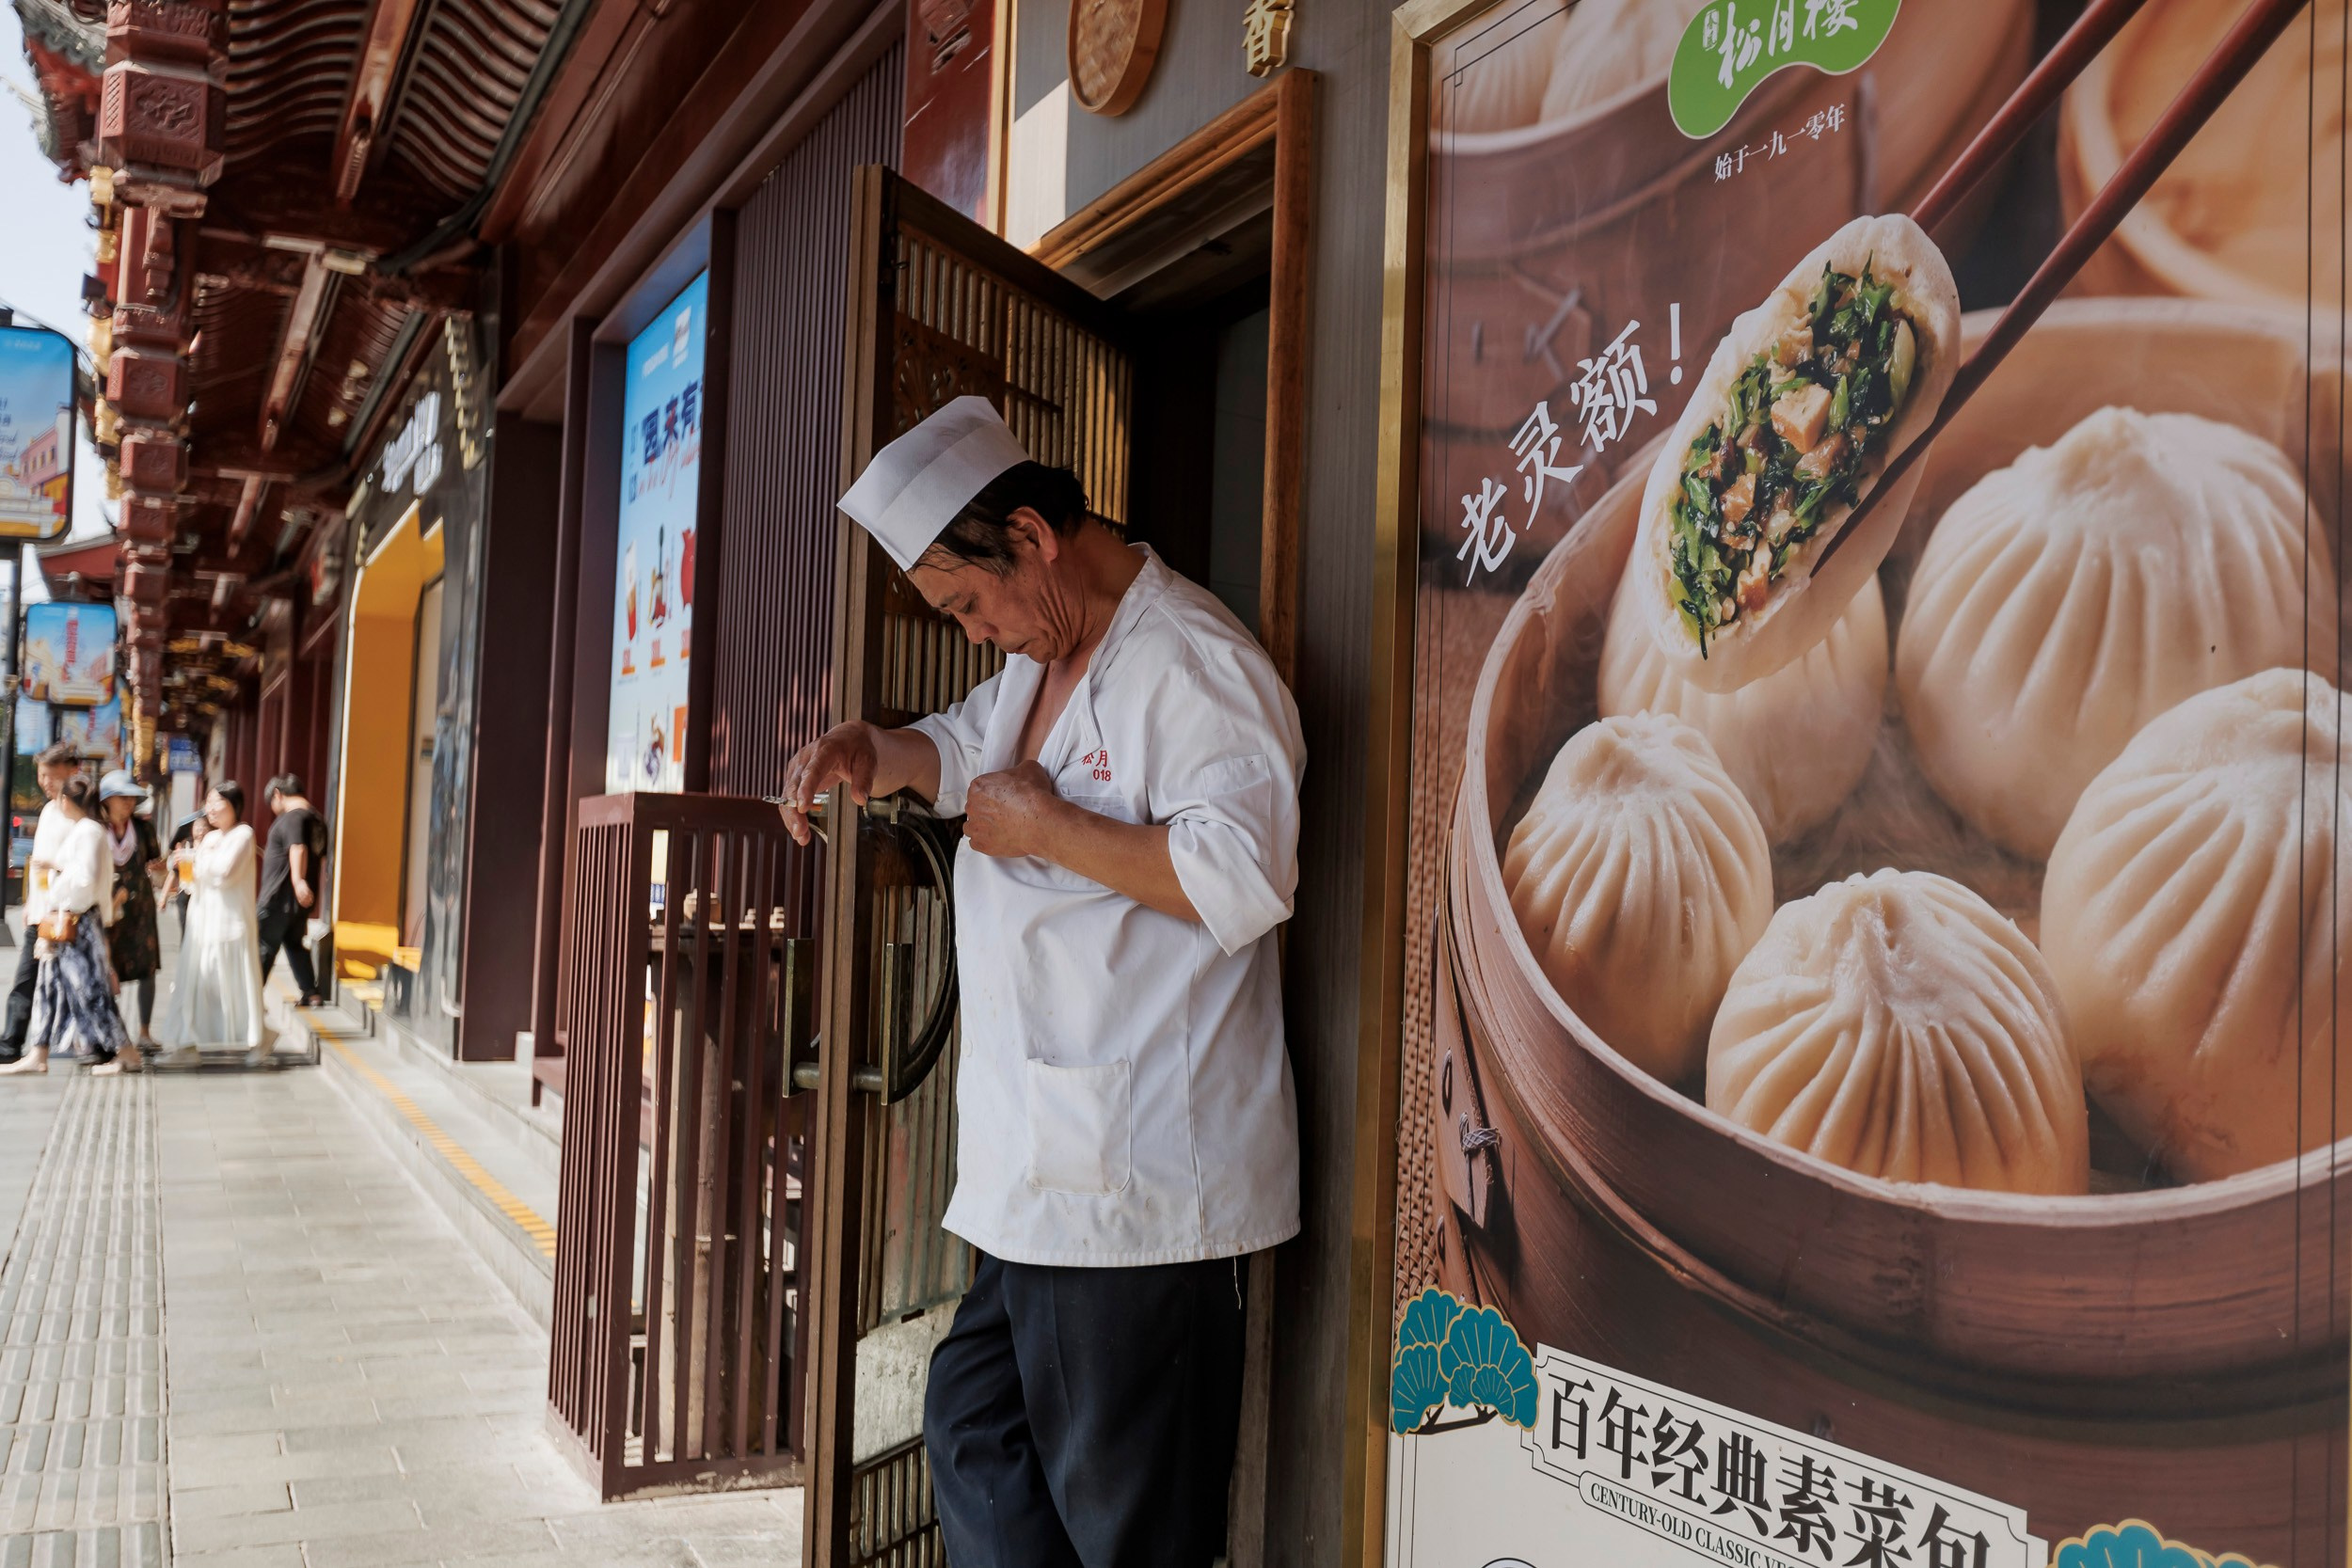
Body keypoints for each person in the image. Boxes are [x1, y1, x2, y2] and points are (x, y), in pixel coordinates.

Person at [781, 397, 1304, 1567]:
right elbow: (968, 749)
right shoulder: (1049, 655)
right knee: (971, 1427)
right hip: (1045, 1170)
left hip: (1141, 1182)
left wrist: (1053, 828)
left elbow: (1246, 870)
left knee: (1126, 1523)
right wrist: (881, 751)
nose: (973, 634)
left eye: (970, 603)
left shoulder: (1192, 660)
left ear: (1029, 536)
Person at [1, 774, 132, 1074]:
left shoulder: (87, 831)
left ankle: (126, 1052)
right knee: (48, 987)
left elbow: (84, 878)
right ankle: (38, 1053)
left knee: (90, 989)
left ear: (66, 801)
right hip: (66, 917)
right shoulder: (87, 829)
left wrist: (55, 870)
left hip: (75, 919)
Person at [153, 783, 269, 1059]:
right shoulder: (212, 838)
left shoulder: (243, 835)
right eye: (208, 802)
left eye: (217, 802)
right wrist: (186, 863)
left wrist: (193, 860)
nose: (210, 808)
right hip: (201, 925)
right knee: (194, 984)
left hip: (230, 924)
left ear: (233, 804)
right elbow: (194, 882)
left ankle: (258, 1038)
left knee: (233, 987)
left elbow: (224, 874)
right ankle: (186, 1042)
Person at [98, 771, 165, 1051]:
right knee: (105, 969)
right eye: (121, 797)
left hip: (140, 910)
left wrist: (162, 872)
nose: (127, 803)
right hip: (107, 910)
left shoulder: (144, 830)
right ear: (106, 800)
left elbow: (157, 868)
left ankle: (145, 1032)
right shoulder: (96, 830)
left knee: (147, 968)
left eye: (131, 798)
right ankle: (112, 1034)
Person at [257, 774, 326, 1006]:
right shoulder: (316, 819)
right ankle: (310, 991)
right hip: (300, 901)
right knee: (294, 943)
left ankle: (251, 998)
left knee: (263, 945)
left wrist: (298, 881)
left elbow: (298, 848)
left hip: (280, 896)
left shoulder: (293, 818)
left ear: (278, 794)